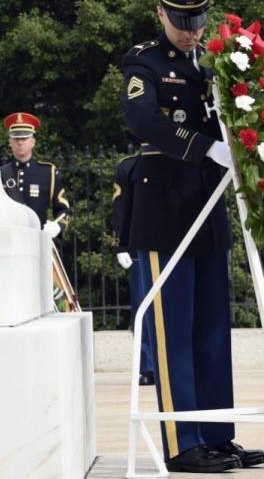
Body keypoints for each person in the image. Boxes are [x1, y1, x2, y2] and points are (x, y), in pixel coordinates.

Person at [120, 0, 264, 473]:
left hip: (208, 205)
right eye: (181, 20)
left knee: (211, 327)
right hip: (165, 208)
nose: (191, 30)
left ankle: (217, 435)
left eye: (198, 20)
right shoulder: (145, 63)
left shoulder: (214, 63)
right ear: (160, 13)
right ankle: (184, 444)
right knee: (173, 328)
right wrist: (206, 147)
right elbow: (144, 120)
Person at [112, 149, 155, 387]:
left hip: (174, 246)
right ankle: (148, 367)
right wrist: (120, 246)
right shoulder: (128, 166)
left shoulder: (178, 159)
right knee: (143, 307)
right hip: (139, 247)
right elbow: (120, 209)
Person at [0, 112, 72, 237]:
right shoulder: (0, 173)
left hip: (38, 240)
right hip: (8, 240)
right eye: (16, 138)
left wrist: (58, 226)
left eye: (24, 138)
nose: (20, 142)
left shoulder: (47, 172)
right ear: (10, 142)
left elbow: (64, 209)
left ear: (33, 141)